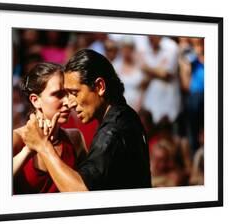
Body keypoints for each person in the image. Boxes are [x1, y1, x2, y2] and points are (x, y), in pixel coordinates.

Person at [22, 49, 151, 191]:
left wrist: (43, 147)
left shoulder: (112, 132)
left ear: (100, 87)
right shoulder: (127, 115)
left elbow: (81, 192)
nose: (70, 102)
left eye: (74, 93)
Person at [13, 62, 87, 194]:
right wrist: (28, 150)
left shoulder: (75, 139)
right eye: (58, 94)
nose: (68, 102)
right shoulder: (16, 140)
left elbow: (88, 189)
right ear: (35, 100)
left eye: (68, 93)